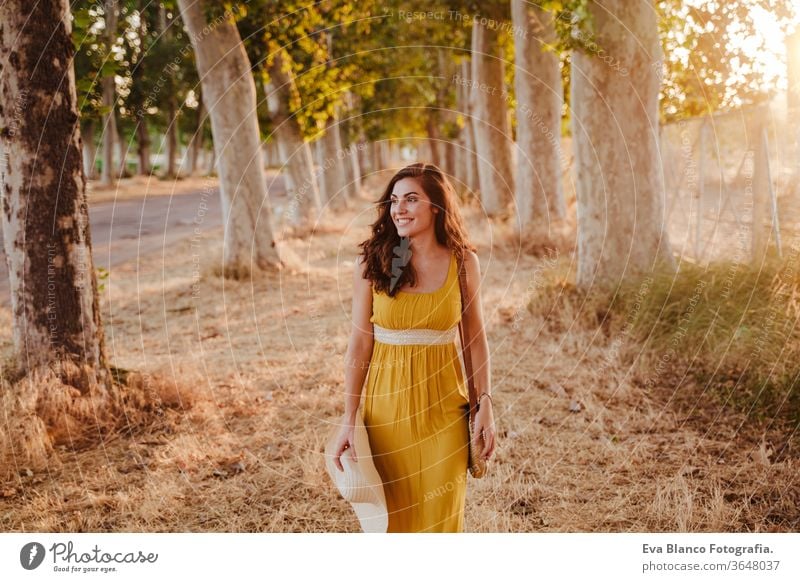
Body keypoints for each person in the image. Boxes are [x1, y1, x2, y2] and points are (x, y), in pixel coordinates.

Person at [331, 162, 496, 533]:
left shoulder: (464, 262)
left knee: (440, 522)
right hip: (385, 416)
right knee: (393, 525)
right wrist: (349, 418)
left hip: (445, 415)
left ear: (436, 207)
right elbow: (359, 343)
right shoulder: (373, 260)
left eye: (410, 199)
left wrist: (485, 403)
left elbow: (474, 338)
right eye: (393, 200)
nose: (398, 209)